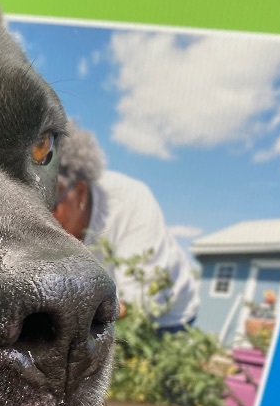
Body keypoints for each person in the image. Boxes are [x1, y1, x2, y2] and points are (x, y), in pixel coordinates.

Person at [53, 122, 199, 331]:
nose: (41, 217)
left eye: (50, 204)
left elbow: (135, 300)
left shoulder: (131, 202)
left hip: (168, 316)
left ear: (81, 193)